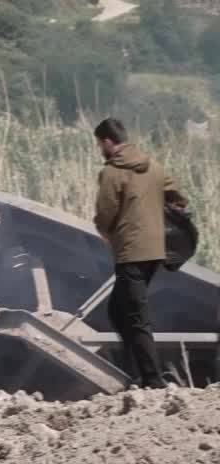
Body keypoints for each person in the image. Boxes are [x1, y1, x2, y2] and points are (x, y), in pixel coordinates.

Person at [92, 118, 188, 389]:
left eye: (99, 144)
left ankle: (152, 380)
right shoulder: (154, 167)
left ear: (108, 142)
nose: (99, 149)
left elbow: (106, 212)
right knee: (118, 310)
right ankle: (135, 370)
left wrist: (104, 230)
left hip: (131, 252)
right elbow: (178, 197)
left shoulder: (111, 172)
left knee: (135, 316)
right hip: (155, 251)